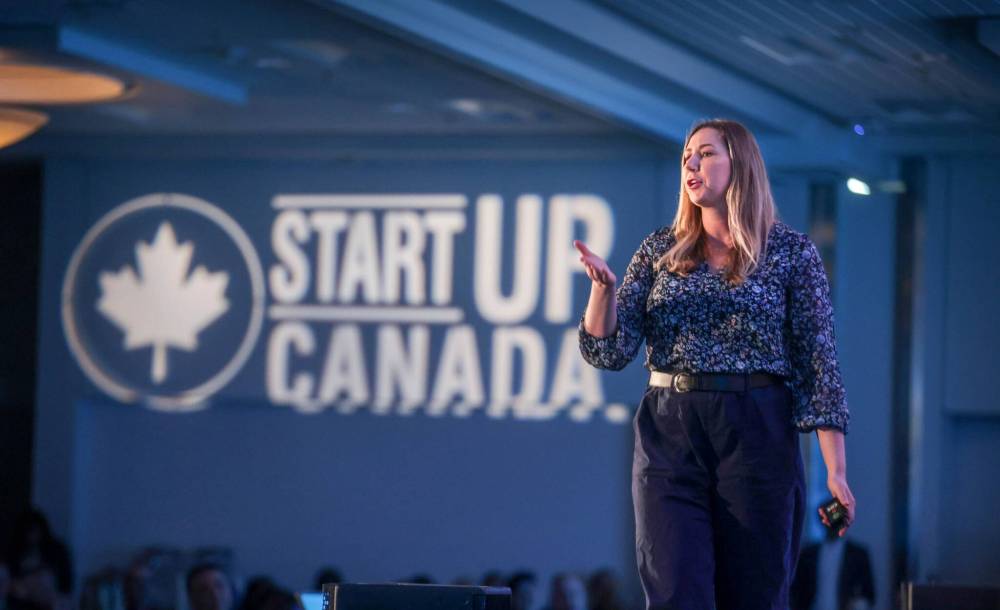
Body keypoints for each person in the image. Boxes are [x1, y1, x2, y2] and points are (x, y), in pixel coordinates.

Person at [576, 118, 854, 610]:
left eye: (705, 153)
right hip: (669, 430)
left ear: (739, 165)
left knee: (755, 594)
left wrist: (836, 473)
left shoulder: (791, 253)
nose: (691, 162)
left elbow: (819, 367)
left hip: (757, 429)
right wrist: (603, 291)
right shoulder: (660, 250)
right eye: (687, 155)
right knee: (675, 591)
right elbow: (608, 351)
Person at [790, 519, 875, 610]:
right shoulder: (808, 555)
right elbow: (798, 592)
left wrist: (858, 604)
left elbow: (868, 594)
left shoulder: (858, 555)